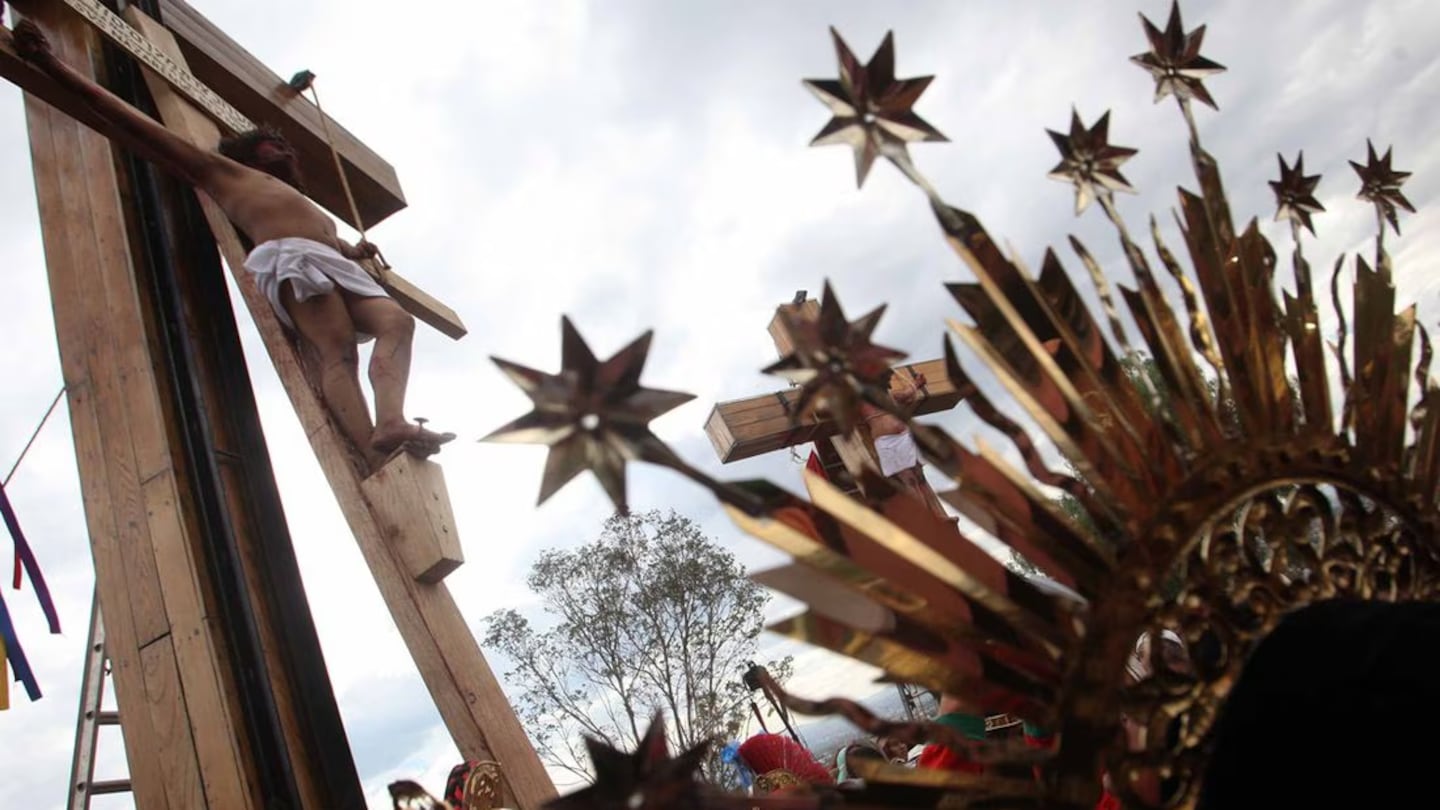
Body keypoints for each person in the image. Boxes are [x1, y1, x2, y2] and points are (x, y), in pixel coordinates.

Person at [14, 20, 454, 471]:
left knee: (397, 321)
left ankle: (390, 420)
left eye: (284, 144)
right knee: (336, 348)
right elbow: (137, 125)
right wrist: (51, 64)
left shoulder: (303, 204)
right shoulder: (225, 174)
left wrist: (351, 250)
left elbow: (326, 239)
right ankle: (373, 454)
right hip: (293, 260)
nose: (282, 146)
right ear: (243, 153)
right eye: (270, 143)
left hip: (326, 259)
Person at [857, 369, 952, 522]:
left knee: (920, 478)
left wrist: (916, 384)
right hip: (887, 442)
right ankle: (926, 519)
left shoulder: (891, 396)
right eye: (886, 380)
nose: (889, 383)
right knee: (909, 480)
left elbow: (907, 394)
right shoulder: (860, 399)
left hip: (904, 438)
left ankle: (938, 516)